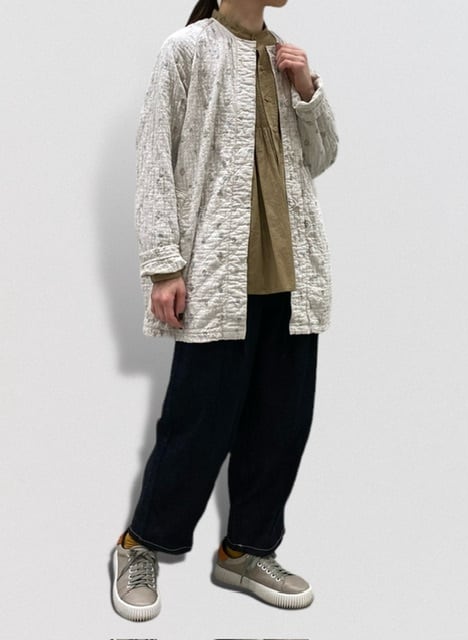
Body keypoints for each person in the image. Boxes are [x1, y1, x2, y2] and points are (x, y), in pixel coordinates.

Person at [111, 0, 338, 622]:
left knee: (282, 423)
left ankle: (247, 550)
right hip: (217, 276)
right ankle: (140, 545)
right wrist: (164, 264)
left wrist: (308, 91)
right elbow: (154, 159)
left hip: (291, 275)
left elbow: (321, 158)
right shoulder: (186, 51)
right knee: (198, 423)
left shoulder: (285, 56)